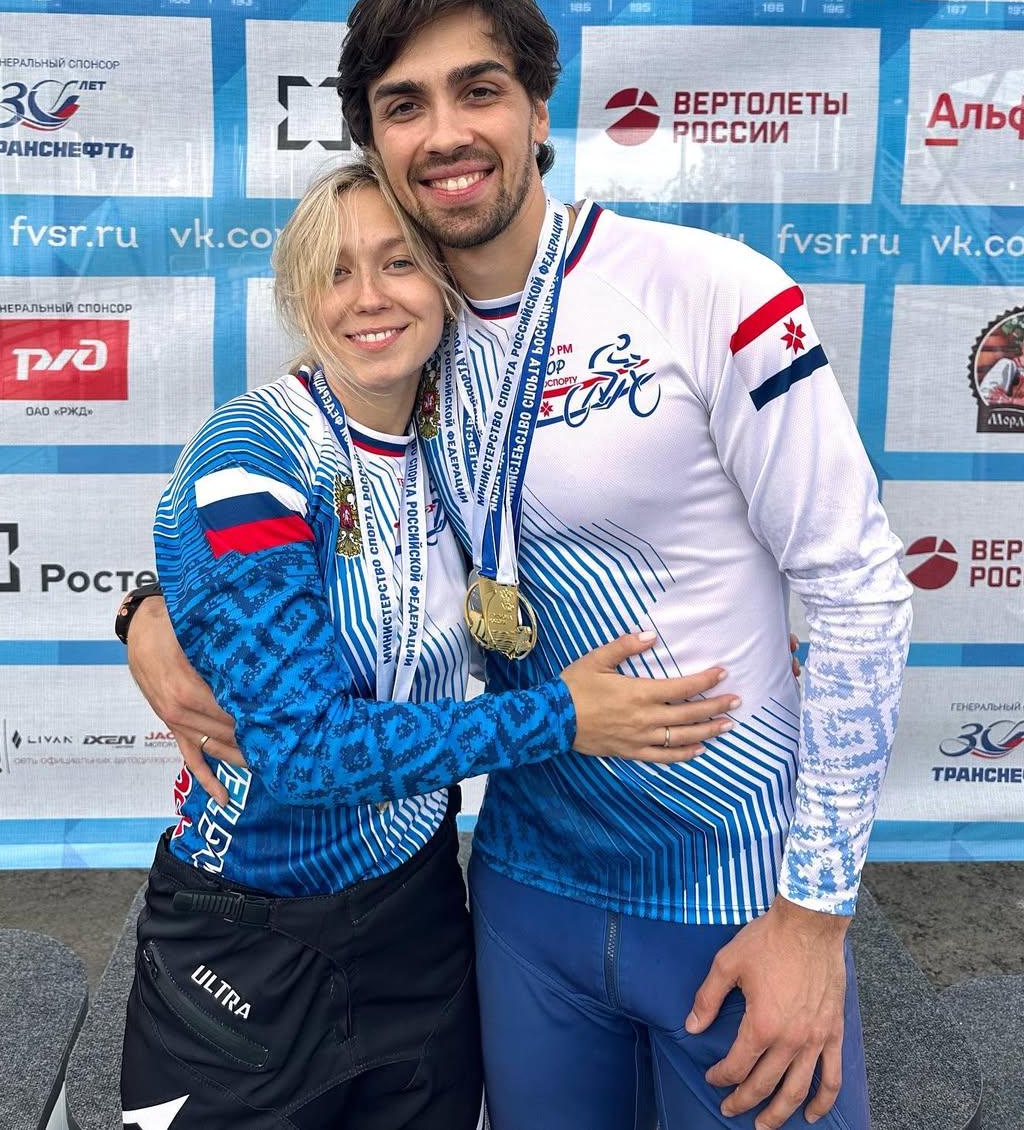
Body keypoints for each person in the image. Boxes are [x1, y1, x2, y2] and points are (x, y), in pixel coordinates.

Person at [125, 0, 913, 1130]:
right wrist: (145, 609)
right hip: (523, 897)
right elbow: (278, 523)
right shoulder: (407, 346)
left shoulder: (709, 288)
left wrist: (816, 914)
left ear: (539, 106)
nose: (446, 132)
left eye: (478, 89)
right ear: (374, 141)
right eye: (406, 105)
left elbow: (859, 590)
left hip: (733, 895)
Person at [118, 158, 745, 1130]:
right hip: (246, 945)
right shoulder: (254, 455)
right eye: (335, 271)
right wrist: (562, 718)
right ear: (299, 297)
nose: (369, 297)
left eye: (399, 263)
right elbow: (304, 753)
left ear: (444, 283)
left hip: (418, 918)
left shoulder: (460, 443)